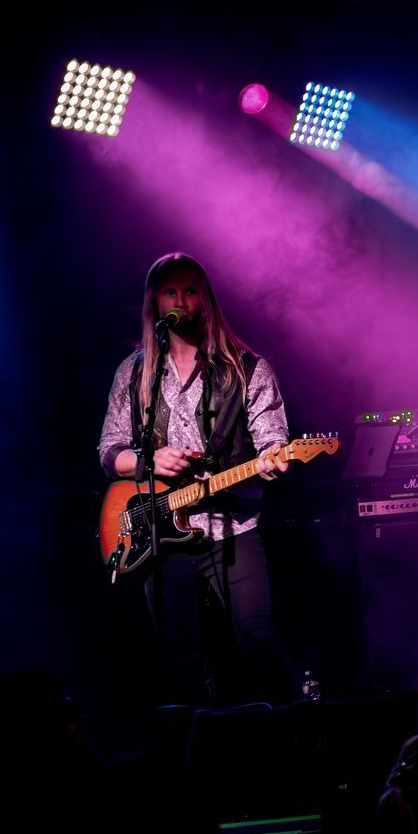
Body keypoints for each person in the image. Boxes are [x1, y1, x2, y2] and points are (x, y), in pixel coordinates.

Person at [97, 252, 297, 705]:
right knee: (179, 652)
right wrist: (148, 461)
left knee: (257, 636)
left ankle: (299, 731)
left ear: (206, 298)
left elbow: (272, 438)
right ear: (154, 301)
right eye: (171, 291)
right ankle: (192, 754)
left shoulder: (247, 369)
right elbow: (110, 451)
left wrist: (275, 458)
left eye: (190, 290)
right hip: (160, 529)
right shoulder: (133, 374)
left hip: (232, 525)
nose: (181, 301)